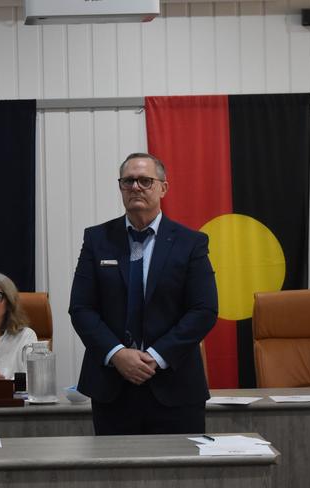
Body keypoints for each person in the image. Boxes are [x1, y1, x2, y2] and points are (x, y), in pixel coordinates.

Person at [69, 153, 218, 435]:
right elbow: (81, 308)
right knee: (116, 476)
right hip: (112, 387)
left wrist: (156, 355)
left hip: (175, 386)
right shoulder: (97, 239)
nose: (136, 187)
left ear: (163, 188)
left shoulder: (190, 242)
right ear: (121, 188)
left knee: (180, 477)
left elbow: (204, 310)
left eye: (145, 181)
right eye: (128, 181)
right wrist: (117, 354)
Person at [0, 272, 38, 380]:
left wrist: (5, 387)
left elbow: (35, 381)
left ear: (9, 302)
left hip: (14, 397)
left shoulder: (25, 337)